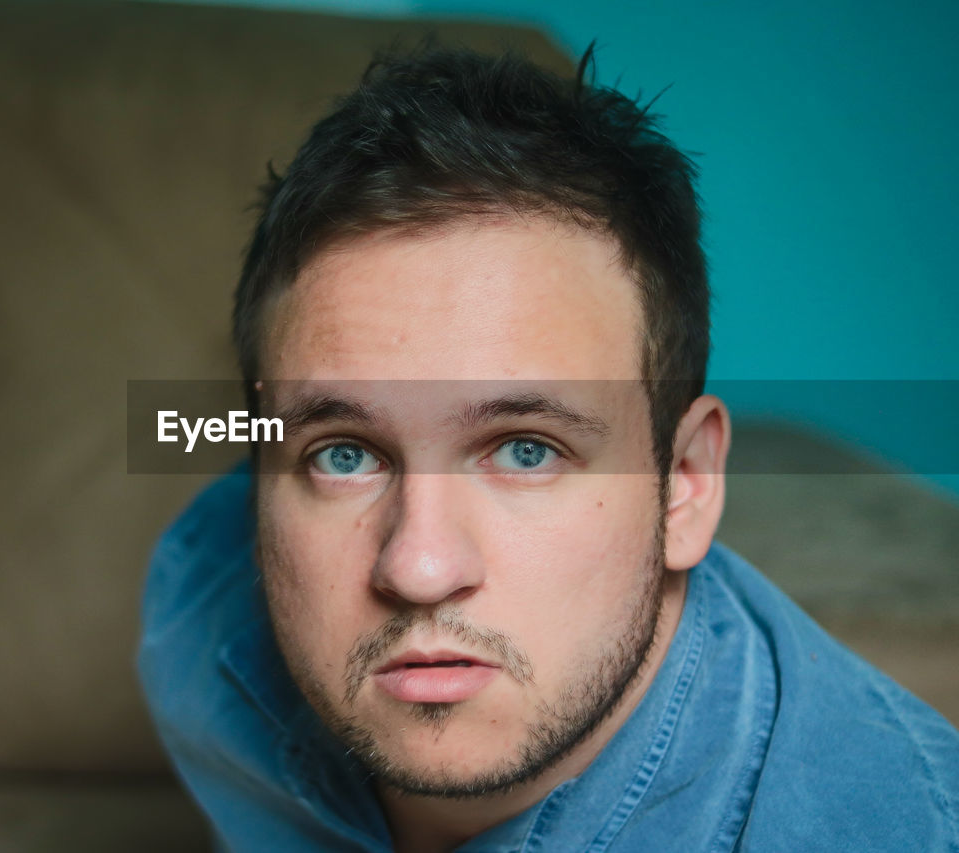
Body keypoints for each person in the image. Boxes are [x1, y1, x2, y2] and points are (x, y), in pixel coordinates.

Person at [137, 45, 959, 852]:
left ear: (687, 482)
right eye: (345, 454)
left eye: (526, 449)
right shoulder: (197, 605)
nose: (420, 568)